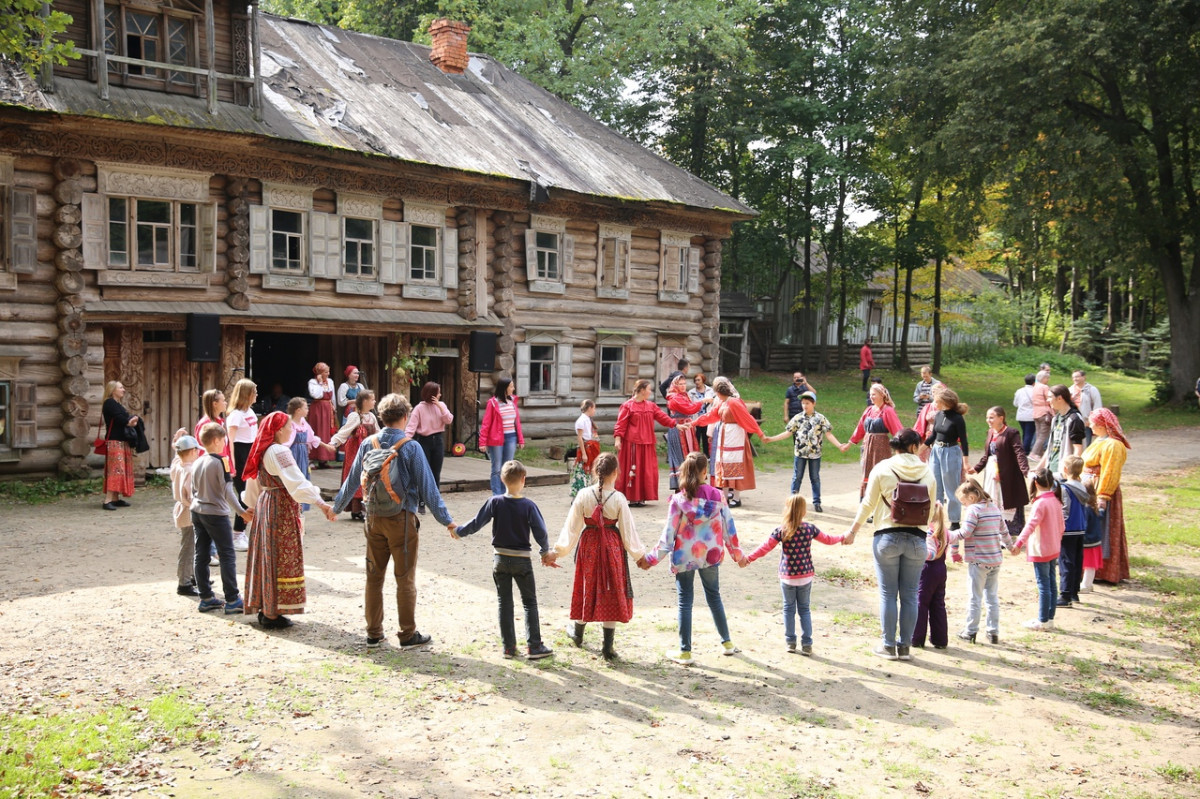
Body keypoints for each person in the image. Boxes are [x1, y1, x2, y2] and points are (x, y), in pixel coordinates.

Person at [333, 393, 456, 649]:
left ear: (382, 417)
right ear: (405, 416)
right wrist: (447, 521)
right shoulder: (411, 447)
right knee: (405, 578)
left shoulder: (369, 443)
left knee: (374, 576)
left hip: (373, 517)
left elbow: (353, 479)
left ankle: (374, 633)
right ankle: (407, 634)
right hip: (401, 519)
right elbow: (428, 489)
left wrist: (336, 507)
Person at [641, 452, 745, 665]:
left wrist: (651, 559)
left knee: (685, 601)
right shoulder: (718, 496)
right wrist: (738, 555)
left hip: (684, 556)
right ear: (705, 472)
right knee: (714, 596)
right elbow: (729, 530)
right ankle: (727, 643)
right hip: (710, 555)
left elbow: (667, 536)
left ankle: (685, 652)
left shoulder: (678, 500)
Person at [844, 428, 936, 662]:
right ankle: (904, 647)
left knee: (888, 594)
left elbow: (868, 503)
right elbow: (932, 511)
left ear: (895, 447)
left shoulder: (883, 468)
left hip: (886, 536)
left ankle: (888, 645)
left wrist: (853, 531)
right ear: (915, 447)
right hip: (916, 539)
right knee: (909, 595)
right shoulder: (928, 472)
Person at [242, 412, 337, 629]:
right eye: (287, 426)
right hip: (279, 507)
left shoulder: (264, 449)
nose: (290, 430)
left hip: (267, 504)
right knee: (280, 555)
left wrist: (251, 505)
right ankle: (272, 612)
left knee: (269, 554)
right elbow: (297, 482)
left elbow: (254, 482)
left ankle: (267, 606)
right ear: (277, 431)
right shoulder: (279, 450)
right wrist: (321, 504)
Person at [453, 460, 555, 660]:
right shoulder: (528, 505)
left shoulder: (495, 502)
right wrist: (544, 551)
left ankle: (509, 648)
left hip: (499, 559)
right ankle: (534, 646)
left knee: (504, 602)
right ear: (524, 480)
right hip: (522, 561)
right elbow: (540, 532)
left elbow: (476, 522)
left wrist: (458, 532)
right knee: (529, 602)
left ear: (502, 479)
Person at [553, 451, 647, 660]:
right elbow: (627, 531)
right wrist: (640, 556)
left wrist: (558, 551)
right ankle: (608, 647)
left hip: (589, 547)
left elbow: (572, 528)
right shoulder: (619, 499)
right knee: (610, 589)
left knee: (588, 585)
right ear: (616, 473)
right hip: (612, 548)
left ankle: (578, 633)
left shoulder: (584, 495)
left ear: (596, 472)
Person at [739, 493, 844, 655]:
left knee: (788, 609)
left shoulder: (781, 531)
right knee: (804, 609)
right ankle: (807, 643)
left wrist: (748, 558)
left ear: (786, 510)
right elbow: (828, 539)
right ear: (803, 511)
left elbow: (764, 548)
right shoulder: (810, 529)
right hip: (805, 575)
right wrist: (843, 537)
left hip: (787, 576)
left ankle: (790, 642)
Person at [191, 422, 252, 615]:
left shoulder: (198, 460)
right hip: (216, 513)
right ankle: (233, 599)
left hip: (197, 510)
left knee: (201, 554)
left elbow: (192, 488)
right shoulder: (221, 461)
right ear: (217, 440)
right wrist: (241, 512)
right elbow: (227, 490)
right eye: (224, 439)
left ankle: (206, 597)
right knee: (227, 554)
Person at [763, 391, 850, 513]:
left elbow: (829, 434)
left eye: (807, 403)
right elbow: (788, 433)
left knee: (815, 478)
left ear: (814, 403)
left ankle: (817, 502)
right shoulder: (798, 418)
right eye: (803, 403)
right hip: (800, 453)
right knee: (797, 477)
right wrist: (771, 439)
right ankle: (792, 502)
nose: (805, 405)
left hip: (815, 454)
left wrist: (839, 445)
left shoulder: (820, 418)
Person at [950, 479, 1012, 644]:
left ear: (971, 497)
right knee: (991, 597)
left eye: (963, 502)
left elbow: (965, 532)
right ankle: (993, 632)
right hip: (995, 559)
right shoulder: (994, 508)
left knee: (975, 597)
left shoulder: (973, 510)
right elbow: (1004, 531)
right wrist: (1011, 547)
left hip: (978, 560)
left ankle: (970, 631)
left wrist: (948, 536)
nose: (964, 506)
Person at [690, 376, 767, 507]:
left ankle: (736, 498)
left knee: (735, 465)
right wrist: (695, 422)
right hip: (724, 436)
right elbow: (712, 415)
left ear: (719, 392)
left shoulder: (734, 402)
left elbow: (748, 419)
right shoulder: (722, 402)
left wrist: (760, 434)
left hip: (735, 435)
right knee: (723, 465)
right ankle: (724, 497)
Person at [1011, 468, 1064, 632]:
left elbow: (1030, 525)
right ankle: (1049, 619)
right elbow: (1062, 526)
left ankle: (1042, 620)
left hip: (1041, 549)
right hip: (1053, 547)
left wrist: (1018, 543)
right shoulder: (1055, 500)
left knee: (1044, 585)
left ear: (1035, 482)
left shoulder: (1040, 503)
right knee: (1051, 584)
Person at [1082, 408, 1131, 586]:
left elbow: (1110, 472)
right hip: (1090, 488)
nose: (1090, 425)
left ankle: (1104, 571)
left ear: (1102, 424)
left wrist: (1103, 496)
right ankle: (1089, 569)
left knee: (1102, 529)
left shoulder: (1113, 445)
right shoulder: (1099, 441)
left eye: (1093, 422)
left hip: (1100, 491)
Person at [613, 379, 678, 506]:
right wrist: (618, 439)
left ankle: (642, 496)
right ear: (642, 390)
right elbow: (620, 424)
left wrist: (675, 424)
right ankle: (632, 497)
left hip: (647, 443)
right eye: (649, 389)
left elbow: (662, 417)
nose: (650, 392)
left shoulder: (651, 405)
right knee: (633, 468)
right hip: (632, 444)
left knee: (646, 470)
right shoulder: (627, 406)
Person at [967, 406, 1030, 537]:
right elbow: (987, 455)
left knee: (1006, 500)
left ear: (1001, 418)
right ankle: (994, 529)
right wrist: (976, 468)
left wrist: (1025, 470)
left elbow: (1019, 453)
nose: (988, 420)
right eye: (987, 417)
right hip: (991, 472)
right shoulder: (990, 432)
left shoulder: (1011, 433)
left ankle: (1009, 531)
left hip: (1007, 473)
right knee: (992, 500)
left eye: (991, 417)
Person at [923, 385, 969, 528]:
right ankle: (936, 517)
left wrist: (966, 461)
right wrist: (919, 449)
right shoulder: (938, 415)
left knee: (951, 487)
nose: (934, 404)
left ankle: (954, 521)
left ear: (945, 402)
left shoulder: (958, 419)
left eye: (936, 401)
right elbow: (934, 436)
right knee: (935, 486)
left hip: (951, 451)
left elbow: (964, 440)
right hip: (936, 451)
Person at [848, 384, 904, 500]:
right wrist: (850, 443)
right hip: (867, 445)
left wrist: (903, 447)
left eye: (874, 394)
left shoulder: (888, 411)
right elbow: (860, 428)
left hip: (881, 447)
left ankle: (880, 503)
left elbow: (897, 430)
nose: (871, 397)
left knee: (880, 473)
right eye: (870, 394)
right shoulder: (869, 410)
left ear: (882, 395)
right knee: (867, 473)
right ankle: (866, 502)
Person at [330, 391, 379, 521]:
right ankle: (356, 510)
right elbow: (344, 432)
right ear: (365, 402)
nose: (374, 402)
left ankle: (366, 508)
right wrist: (333, 442)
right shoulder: (355, 416)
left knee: (369, 477)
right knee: (356, 476)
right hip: (355, 451)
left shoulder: (372, 417)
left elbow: (378, 433)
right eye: (372, 399)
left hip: (369, 451)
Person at [405, 382, 454, 511]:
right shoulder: (419, 408)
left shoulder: (441, 405)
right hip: (424, 441)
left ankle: (435, 501)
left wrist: (439, 406)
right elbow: (411, 427)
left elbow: (449, 419)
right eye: (438, 392)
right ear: (431, 394)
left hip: (438, 440)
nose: (440, 394)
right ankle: (421, 501)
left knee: (436, 472)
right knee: (423, 472)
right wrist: (404, 441)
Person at [226, 378, 259, 545]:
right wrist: (231, 463)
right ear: (247, 394)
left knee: (252, 493)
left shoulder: (250, 412)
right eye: (254, 392)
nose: (257, 395)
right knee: (244, 494)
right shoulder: (236, 415)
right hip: (240, 454)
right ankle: (237, 533)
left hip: (251, 453)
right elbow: (230, 441)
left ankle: (243, 531)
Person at [1057, 455, 1093, 608]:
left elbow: (1064, 510)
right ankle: (1074, 592)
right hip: (1080, 528)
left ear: (1065, 469)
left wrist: (1059, 527)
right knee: (1077, 561)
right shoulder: (1082, 486)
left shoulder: (1065, 488)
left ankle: (1065, 595)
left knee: (1066, 562)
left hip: (1068, 529)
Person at [284, 397, 331, 513]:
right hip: (293, 453)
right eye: (305, 408)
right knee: (294, 479)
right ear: (298, 410)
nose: (308, 410)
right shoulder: (290, 423)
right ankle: (291, 508)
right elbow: (286, 442)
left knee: (303, 478)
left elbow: (312, 437)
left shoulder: (304, 423)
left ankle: (300, 509)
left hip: (303, 454)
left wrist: (326, 446)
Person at [913, 503, 950, 649]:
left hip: (928, 569)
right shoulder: (944, 531)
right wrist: (954, 551)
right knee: (938, 604)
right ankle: (940, 639)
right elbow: (953, 540)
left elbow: (931, 553)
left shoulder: (929, 532)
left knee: (921, 603)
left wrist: (918, 553)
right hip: (941, 569)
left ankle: (916, 638)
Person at [169, 433, 202, 597]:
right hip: (189, 511)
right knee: (189, 548)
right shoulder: (189, 470)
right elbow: (190, 496)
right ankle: (184, 583)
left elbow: (176, 458)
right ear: (192, 451)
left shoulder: (178, 465)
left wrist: (177, 442)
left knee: (192, 546)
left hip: (183, 509)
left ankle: (192, 576)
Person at [101, 380, 141, 511]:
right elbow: (121, 419)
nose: (123, 390)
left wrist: (131, 420)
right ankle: (107, 500)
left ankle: (115, 498)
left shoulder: (117, 403)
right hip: (114, 441)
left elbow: (123, 419)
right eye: (121, 387)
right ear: (113, 390)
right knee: (116, 470)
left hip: (122, 441)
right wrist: (131, 421)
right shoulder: (109, 403)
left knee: (120, 469)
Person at [479, 377, 524, 495]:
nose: (513, 389)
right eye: (511, 386)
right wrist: (482, 442)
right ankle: (497, 494)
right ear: (505, 388)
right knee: (497, 468)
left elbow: (517, 422)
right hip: (496, 440)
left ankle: (506, 493)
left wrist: (521, 439)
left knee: (508, 468)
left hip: (511, 438)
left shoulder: (513, 402)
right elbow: (486, 423)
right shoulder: (493, 403)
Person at [666, 374, 707, 491]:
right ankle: (680, 486)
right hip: (678, 429)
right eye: (680, 384)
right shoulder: (674, 398)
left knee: (690, 454)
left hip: (687, 428)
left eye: (684, 384)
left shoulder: (684, 396)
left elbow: (690, 408)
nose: (683, 386)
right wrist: (702, 401)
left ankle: (691, 482)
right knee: (680, 456)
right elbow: (689, 409)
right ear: (675, 385)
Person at [1037, 385, 1085, 476]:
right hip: (1051, 470)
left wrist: (1071, 474)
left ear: (1059, 398)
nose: (1047, 400)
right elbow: (1051, 447)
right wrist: (1039, 468)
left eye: (1050, 397)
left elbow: (1078, 450)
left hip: (1065, 473)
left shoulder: (1074, 419)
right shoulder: (1056, 419)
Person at [307, 362, 336, 468]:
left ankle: (323, 460)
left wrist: (334, 407)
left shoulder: (330, 381)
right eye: (325, 372)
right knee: (317, 430)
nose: (328, 374)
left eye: (328, 371)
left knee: (326, 432)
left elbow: (332, 396)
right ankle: (311, 459)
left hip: (328, 409)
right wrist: (319, 383)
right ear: (319, 373)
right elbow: (316, 394)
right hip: (318, 410)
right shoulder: (313, 382)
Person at [570, 399, 601, 498]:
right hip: (586, 448)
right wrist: (583, 453)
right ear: (590, 408)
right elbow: (580, 437)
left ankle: (590, 493)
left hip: (592, 448)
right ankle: (579, 494)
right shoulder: (581, 420)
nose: (594, 410)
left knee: (592, 469)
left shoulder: (588, 419)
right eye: (594, 408)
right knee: (582, 471)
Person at [1070, 370, 1102, 446]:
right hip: (1073, 421)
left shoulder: (1092, 389)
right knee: (1074, 444)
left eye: (1077, 377)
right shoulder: (1070, 390)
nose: (1075, 379)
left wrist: (1092, 420)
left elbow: (1097, 405)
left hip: (1086, 422)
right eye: (1073, 377)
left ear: (1084, 377)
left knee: (1086, 444)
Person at [1030, 371, 1054, 458]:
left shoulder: (1035, 387)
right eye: (1047, 378)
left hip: (1036, 413)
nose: (1048, 380)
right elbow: (1049, 399)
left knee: (1038, 434)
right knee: (1043, 435)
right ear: (1044, 378)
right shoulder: (1044, 387)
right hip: (1045, 413)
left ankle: (1038, 454)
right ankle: (1034, 453)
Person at [689, 373, 714, 456]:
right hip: (696, 418)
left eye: (698, 380)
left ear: (703, 380)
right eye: (695, 380)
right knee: (696, 438)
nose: (697, 382)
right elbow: (690, 405)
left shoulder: (710, 391)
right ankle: (696, 456)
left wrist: (711, 400)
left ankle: (707, 456)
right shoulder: (691, 392)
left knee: (706, 438)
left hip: (707, 418)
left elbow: (715, 402)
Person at [1013, 374, 1037, 456]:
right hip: (1031, 415)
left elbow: (1015, 403)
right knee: (1029, 433)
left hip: (1020, 415)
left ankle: (1023, 447)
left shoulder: (1019, 391)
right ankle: (1025, 450)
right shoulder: (1035, 391)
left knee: (1025, 432)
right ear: (1034, 382)